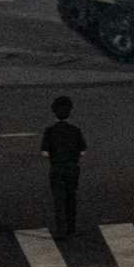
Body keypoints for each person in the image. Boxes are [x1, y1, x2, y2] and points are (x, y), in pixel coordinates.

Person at [40, 95, 87, 239]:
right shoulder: (75, 131)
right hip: (72, 168)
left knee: (59, 200)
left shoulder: (50, 131)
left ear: (54, 112)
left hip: (57, 169)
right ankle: (71, 227)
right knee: (71, 198)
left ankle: (61, 230)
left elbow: (44, 153)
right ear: (70, 112)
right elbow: (83, 151)